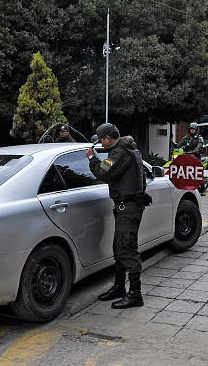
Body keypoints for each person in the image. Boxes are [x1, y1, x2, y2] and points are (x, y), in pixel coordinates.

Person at [86, 123, 149, 309]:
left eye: (102, 141)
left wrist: (92, 159)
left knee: (127, 251)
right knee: (119, 248)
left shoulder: (119, 153)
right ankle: (119, 287)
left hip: (128, 208)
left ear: (108, 138)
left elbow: (102, 173)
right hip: (129, 207)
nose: (102, 144)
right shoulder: (131, 149)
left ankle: (135, 294)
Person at [175, 122, 206, 195]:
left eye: (193, 129)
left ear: (196, 130)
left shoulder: (199, 138)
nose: (192, 130)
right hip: (187, 156)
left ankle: (202, 189)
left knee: (199, 171)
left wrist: (194, 151)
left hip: (196, 156)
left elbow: (200, 146)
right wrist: (175, 146)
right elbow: (180, 144)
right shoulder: (187, 137)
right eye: (191, 129)